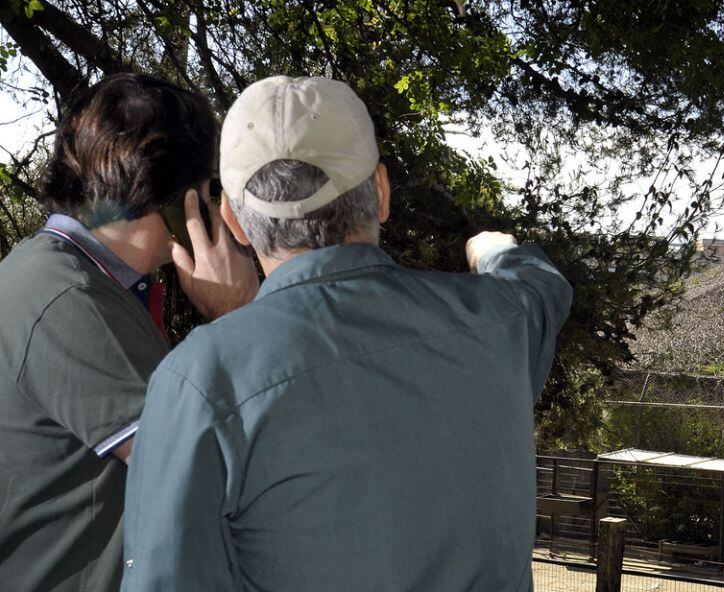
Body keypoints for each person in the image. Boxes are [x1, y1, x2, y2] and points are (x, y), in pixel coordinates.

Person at [121, 76, 573, 592]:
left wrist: (234, 324)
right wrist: (494, 250)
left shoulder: (200, 380)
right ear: (380, 192)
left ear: (235, 220)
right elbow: (544, 285)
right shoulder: (501, 321)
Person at [0, 74, 259, 592]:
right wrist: (240, 316)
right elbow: (210, 480)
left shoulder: (72, 278)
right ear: (178, 196)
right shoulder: (69, 302)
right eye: (210, 186)